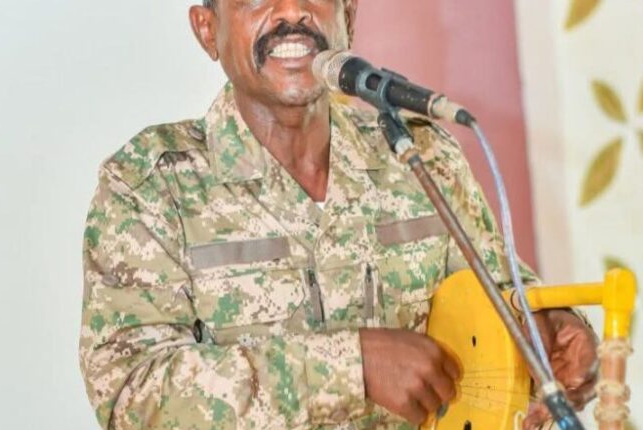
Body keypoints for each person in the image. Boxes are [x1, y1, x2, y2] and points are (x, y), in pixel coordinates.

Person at [79, 1, 598, 429]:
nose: (292, 11)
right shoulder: (151, 185)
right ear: (207, 29)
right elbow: (131, 395)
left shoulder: (422, 157)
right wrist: (353, 367)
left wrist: (551, 330)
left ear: (348, 16)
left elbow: (499, 294)